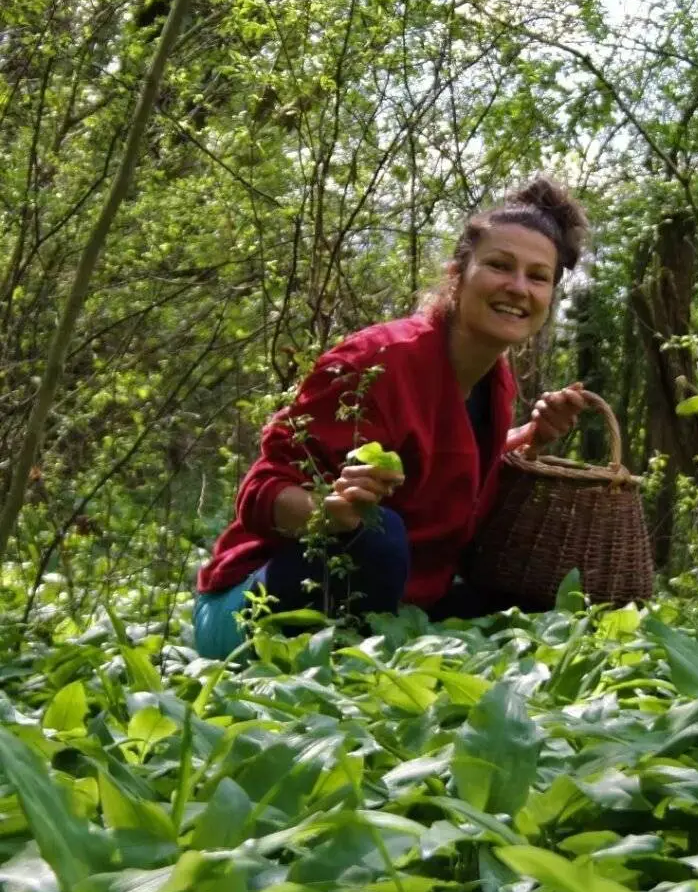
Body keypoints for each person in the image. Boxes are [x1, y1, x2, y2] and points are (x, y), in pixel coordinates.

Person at [193, 176, 589, 658]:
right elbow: (259, 492)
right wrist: (331, 514)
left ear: (550, 294)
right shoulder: (376, 363)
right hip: (250, 607)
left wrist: (530, 436)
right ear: (458, 273)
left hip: (399, 603)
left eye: (538, 276)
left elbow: (446, 462)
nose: (518, 287)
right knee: (380, 537)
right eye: (499, 266)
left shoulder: (495, 382)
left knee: (525, 598)